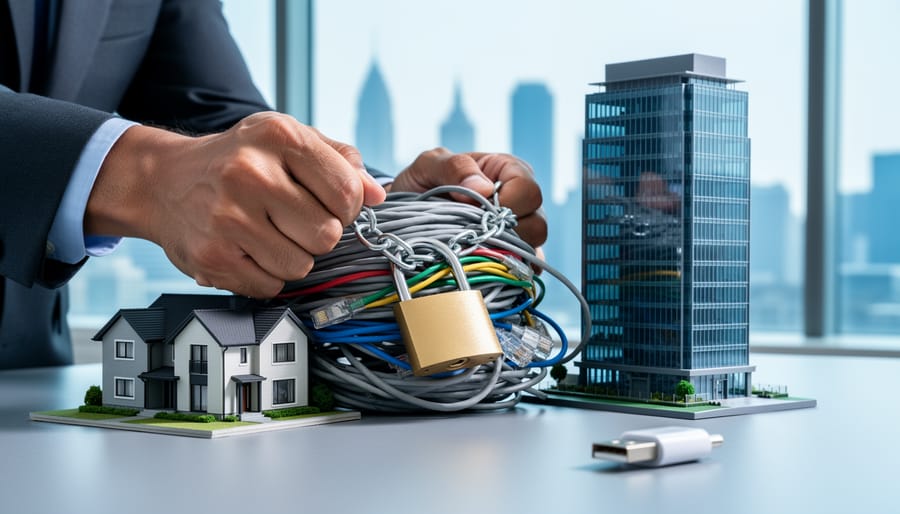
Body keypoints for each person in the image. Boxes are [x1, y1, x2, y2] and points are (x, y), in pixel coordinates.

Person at [0, 1, 546, 368]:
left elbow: (218, 117)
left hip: (28, 388)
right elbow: (188, 162)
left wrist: (382, 209)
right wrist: (144, 174)